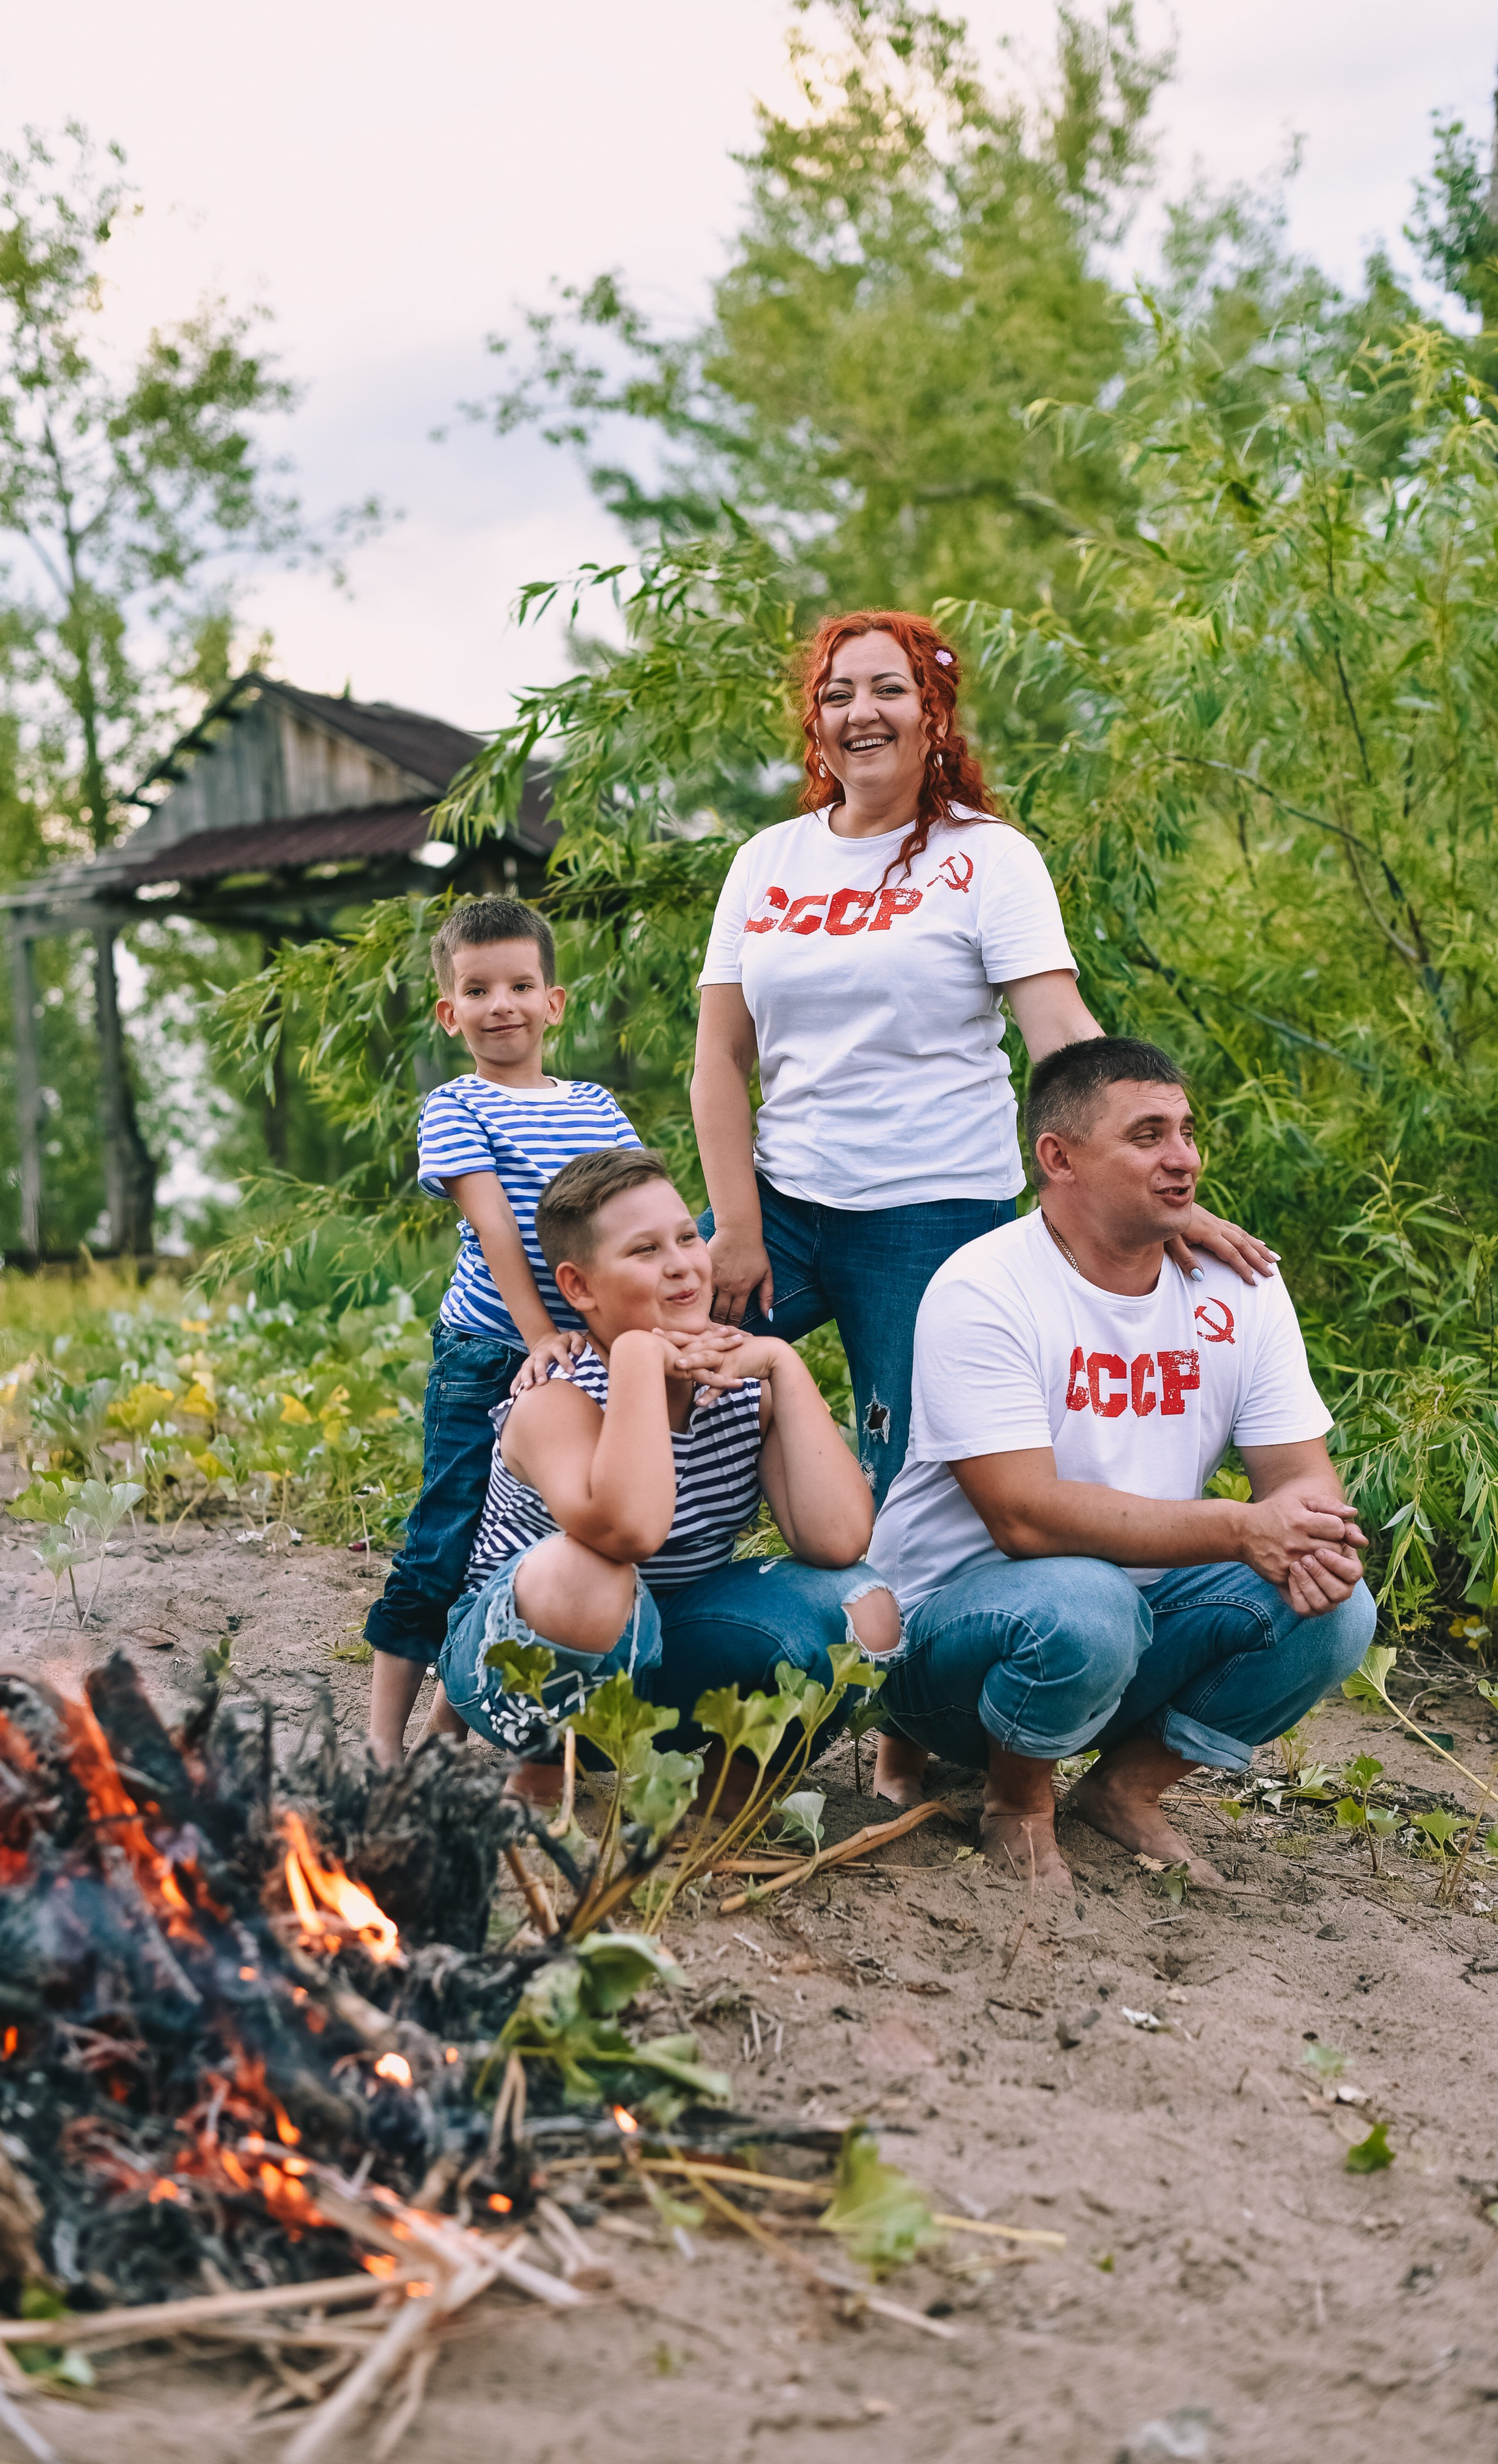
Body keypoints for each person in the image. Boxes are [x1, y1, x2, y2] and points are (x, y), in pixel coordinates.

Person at [691, 611, 1272, 1798]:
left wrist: (1148, 1166)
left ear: (931, 712)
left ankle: (904, 1728)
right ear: (818, 718)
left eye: (889, 690)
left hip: (932, 1213)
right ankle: (612, 1650)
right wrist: (735, 1223)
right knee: (651, 1376)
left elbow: (1058, 1028)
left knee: (914, 1479)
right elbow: (718, 1059)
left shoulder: (985, 858)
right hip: (784, 1211)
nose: (863, 712)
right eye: (840, 692)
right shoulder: (770, 861)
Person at [867, 1036, 1375, 1892]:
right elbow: (1021, 1515)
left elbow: (1299, 1475)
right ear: (1057, 1158)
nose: (1182, 1159)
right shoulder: (983, 1288)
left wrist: (1310, 1532)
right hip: (949, 1655)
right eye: (1147, 1136)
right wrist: (1237, 1527)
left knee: (1335, 1609)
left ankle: (1123, 1790)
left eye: (1185, 1131)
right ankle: (1017, 1803)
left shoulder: (1238, 1285)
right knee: (1086, 1599)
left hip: (1125, 1632)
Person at [436, 1144, 901, 1805]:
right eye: (644, 1250)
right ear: (579, 1288)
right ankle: (541, 1764)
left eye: (687, 1236)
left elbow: (836, 1540)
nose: (681, 1263)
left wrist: (781, 1366)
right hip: (520, 1673)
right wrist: (634, 1359)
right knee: (586, 1574)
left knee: (867, 1606)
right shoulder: (555, 1400)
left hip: (662, 1669)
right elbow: (629, 1531)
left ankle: (727, 1788)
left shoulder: (740, 1386)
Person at [363, 896, 639, 1763]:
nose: (502, 1004)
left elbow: (627, 1218)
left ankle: (454, 1726)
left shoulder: (594, 1105)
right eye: (478, 990)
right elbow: (496, 1228)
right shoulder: (455, 1107)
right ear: (451, 1014)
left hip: (581, 1361)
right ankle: (381, 1740)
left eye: (521, 984)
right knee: (446, 1534)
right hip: (489, 1352)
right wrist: (537, 1337)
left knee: (527, 1541)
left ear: (554, 1001)